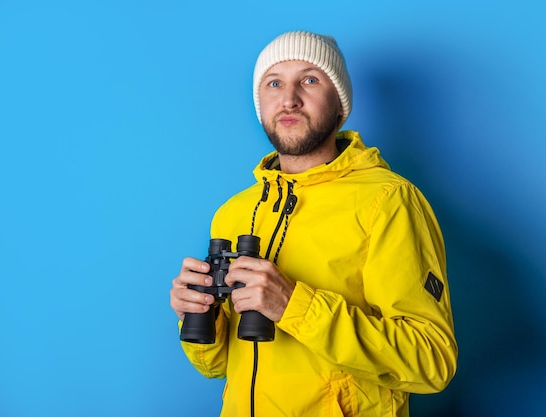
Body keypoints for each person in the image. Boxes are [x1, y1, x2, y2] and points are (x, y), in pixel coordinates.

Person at [170, 30, 457, 416]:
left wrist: (294, 305)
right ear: (261, 105)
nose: (289, 98)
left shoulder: (388, 200)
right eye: (274, 83)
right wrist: (196, 315)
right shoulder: (233, 213)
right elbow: (220, 365)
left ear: (340, 103)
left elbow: (431, 361)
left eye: (309, 80)